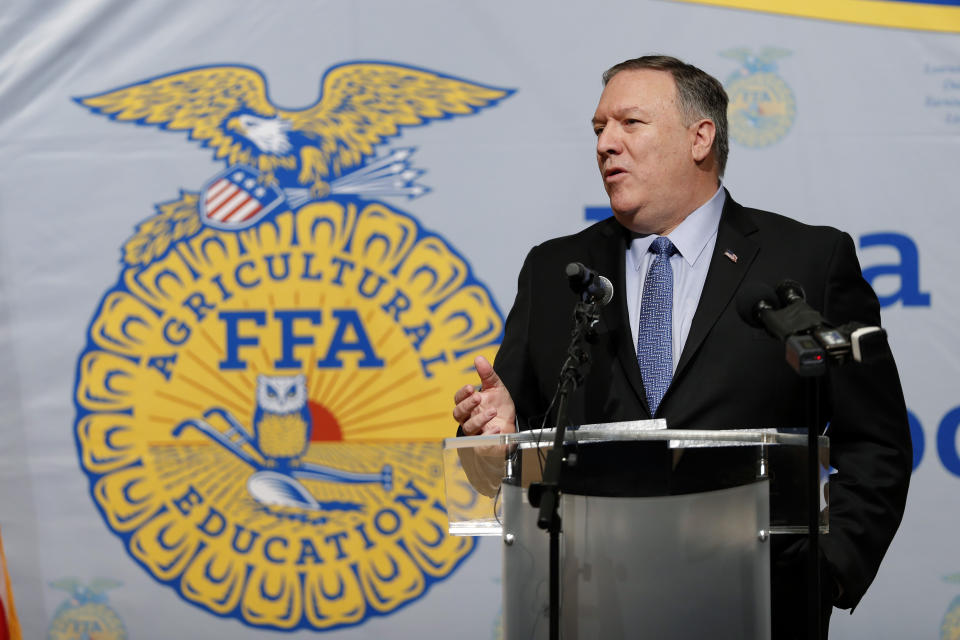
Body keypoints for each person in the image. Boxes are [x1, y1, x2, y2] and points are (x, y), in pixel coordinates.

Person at [452, 55, 911, 638]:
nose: (606, 144)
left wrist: (830, 571)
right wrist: (496, 439)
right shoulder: (555, 271)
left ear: (700, 138)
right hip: (589, 600)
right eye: (599, 129)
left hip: (759, 603)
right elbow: (505, 448)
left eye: (630, 124)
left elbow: (876, 440)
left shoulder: (806, 260)